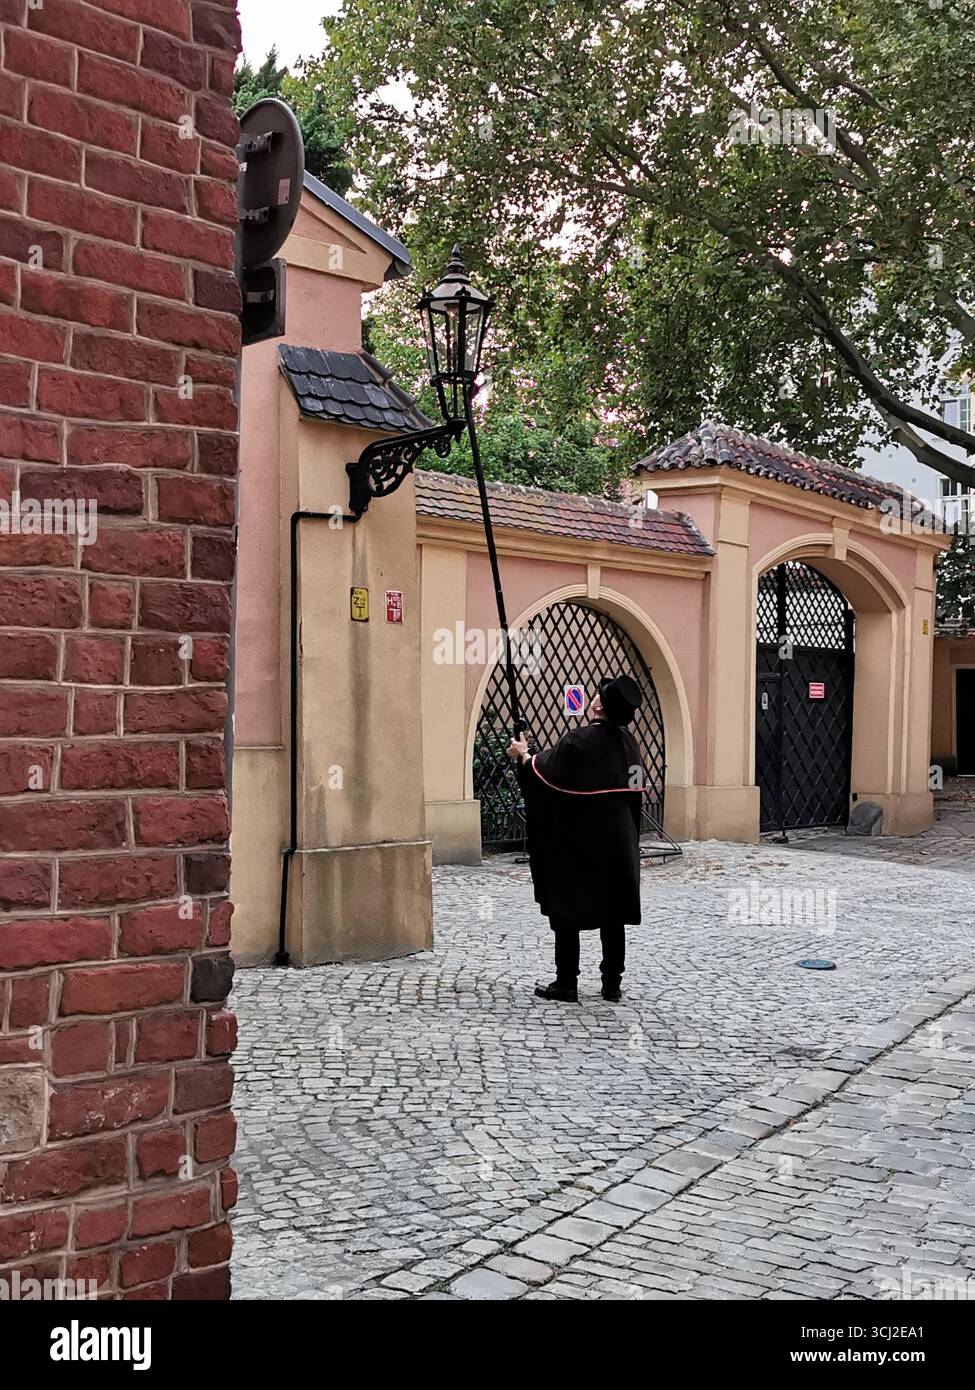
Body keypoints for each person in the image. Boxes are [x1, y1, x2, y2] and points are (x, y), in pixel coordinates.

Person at [506, 675, 645, 1003]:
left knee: (567, 906)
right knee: (614, 913)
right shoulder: (631, 746)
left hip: (579, 846)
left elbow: (544, 774)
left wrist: (523, 755)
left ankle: (566, 981)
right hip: (619, 848)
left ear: (598, 706)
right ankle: (612, 983)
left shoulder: (578, 742)